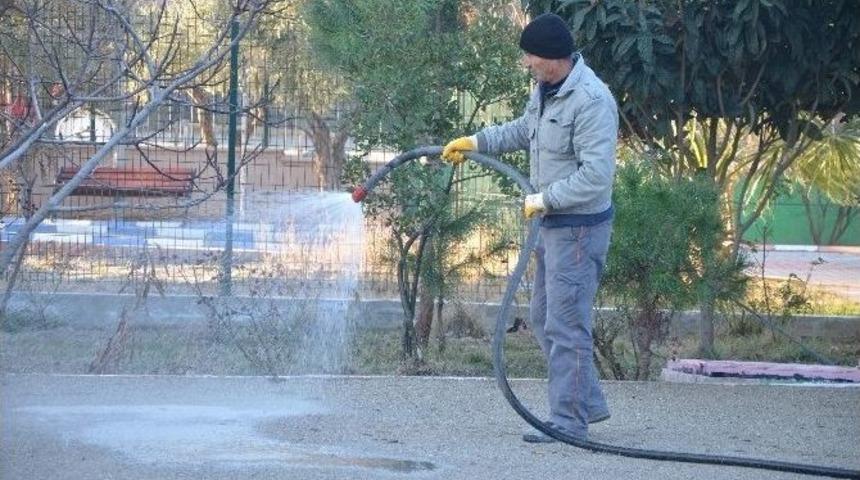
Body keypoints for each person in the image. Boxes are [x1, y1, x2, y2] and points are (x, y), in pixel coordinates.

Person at [442, 12, 618, 443]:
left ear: (553, 59)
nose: (527, 64)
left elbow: (596, 177)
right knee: (544, 318)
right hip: (551, 226)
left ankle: (569, 423)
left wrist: (545, 198)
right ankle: (586, 404)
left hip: (577, 230)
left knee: (565, 324)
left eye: (531, 57)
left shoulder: (592, 101)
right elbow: (525, 130)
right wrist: (477, 142)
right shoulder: (547, 89)